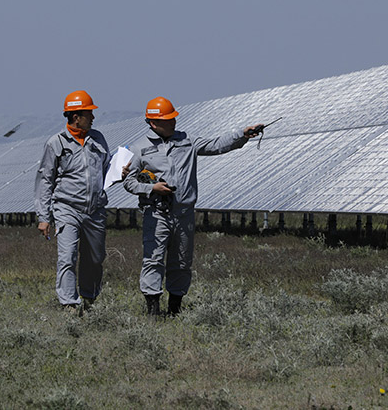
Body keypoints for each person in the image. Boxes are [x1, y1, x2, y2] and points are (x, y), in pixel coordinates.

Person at [122, 96, 263, 316]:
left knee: (181, 262)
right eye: (168, 120)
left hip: (184, 213)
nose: (173, 122)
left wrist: (242, 134)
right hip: (157, 214)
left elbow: (216, 144)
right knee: (154, 260)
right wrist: (152, 189)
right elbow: (129, 182)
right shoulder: (139, 148)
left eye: (173, 118)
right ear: (153, 123)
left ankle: (175, 310)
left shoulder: (187, 141)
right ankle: (153, 311)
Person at [35, 90, 110, 311]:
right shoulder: (56, 143)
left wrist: (120, 169)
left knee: (95, 258)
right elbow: (45, 179)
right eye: (89, 113)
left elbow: (106, 168)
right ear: (76, 116)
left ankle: (89, 298)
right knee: (67, 256)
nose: (93, 117)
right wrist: (43, 217)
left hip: (95, 209)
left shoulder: (98, 139)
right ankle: (69, 304)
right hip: (67, 208)